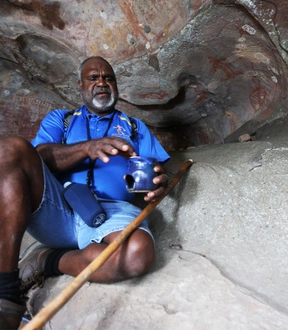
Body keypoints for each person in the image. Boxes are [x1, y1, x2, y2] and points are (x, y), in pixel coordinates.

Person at [0, 56, 170, 329]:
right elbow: (38, 155)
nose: (102, 83)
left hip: (113, 210)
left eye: (108, 78)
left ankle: (48, 261)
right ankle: (5, 293)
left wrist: (157, 184)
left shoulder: (135, 127)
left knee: (137, 253)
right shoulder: (62, 120)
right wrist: (87, 148)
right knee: (10, 149)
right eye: (94, 78)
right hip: (59, 207)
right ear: (80, 86)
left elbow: (153, 170)